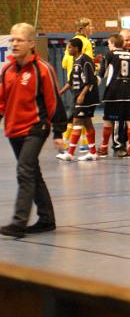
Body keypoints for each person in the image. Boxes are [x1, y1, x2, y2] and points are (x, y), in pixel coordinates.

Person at [0, 23, 67, 238]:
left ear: (31, 43)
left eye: (19, 40)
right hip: (13, 129)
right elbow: (1, 103)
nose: (15, 44)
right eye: (12, 40)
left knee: (24, 170)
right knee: (33, 173)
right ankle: (47, 219)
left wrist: (58, 132)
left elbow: (54, 101)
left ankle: (19, 222)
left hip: (36, 127)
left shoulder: (42, 69)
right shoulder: (7, 71)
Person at [98, 34, 130, 158]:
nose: (108, 46)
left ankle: (107, 148)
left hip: (113, 93)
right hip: (128, 93)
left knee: (110, 119)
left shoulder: (110, 55)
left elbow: (101, 74)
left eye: (108, 44)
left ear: (113, 44)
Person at [56, 38, 100, 162]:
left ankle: (70, 153)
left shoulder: (85, 60)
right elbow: (70, 82)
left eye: (69, 47)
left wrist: (82, 95)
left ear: (76, 48)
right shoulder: (76, 61)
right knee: (87, 123)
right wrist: (60, 92)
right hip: (79, 97)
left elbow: (90, 79)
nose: (68, 50)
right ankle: (93, 152)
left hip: (86, 97)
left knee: (77, 122)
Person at [60, 17, 94, 151]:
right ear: (84, 28)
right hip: (82, 82)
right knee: (78, 113)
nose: (93, 29)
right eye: (91, 26)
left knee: (81, 112)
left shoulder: (70, 43)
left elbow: (63, 64)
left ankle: (84, 144)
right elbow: (89, 63)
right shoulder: (86, 42)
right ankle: (66, 143)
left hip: (71, 80)